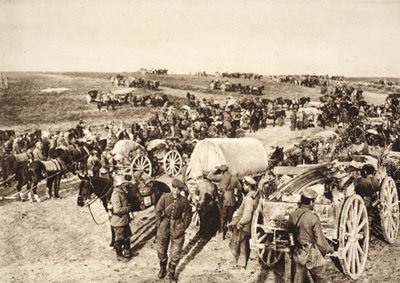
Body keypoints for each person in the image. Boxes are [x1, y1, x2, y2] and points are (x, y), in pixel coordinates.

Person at [288, 188, 333, 283]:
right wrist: (328, 250)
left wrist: (292, 250)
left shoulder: (293, 215)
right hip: (311, 255)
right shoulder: (313, 218)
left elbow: (290, 234)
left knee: (298, 279)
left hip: (298, 253)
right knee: (320, 278)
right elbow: (320, 242)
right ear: (311, 203)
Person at [155, 179, 192, 282]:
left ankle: (171, 272)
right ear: (172, 188)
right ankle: (162, 268)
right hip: (165, 225)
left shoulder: (184, 201)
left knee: (176, 251)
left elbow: (188, 214)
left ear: (180, 190)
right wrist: (159, 224)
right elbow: (158, 210)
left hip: (177, 225)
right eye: (174, 188)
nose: (176, 191)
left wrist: (184, 226)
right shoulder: (165, 197)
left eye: (178, 189)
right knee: (161, 249)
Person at [228, 176, 259, 268]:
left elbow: (247, 216)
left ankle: (240, 264)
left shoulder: (249, 199)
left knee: (236, 244)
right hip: (252, 225)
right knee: (243, 244)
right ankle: (241, 262)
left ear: (248, 186)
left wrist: (239, 224)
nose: (243, 187)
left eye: (244, 185)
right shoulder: (256, 195)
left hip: (245, 225)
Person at [208, 164, 242, 239]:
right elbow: (240, 188)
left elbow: (209, 176)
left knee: (222, 216)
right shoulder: (234, 178)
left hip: (223, 198)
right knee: (230, 216)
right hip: (232, 199)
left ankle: (222, 232)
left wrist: (214, 169)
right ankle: (230, 231)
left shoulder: (221, 177)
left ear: (222, 171)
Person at [109, 175, 134, 262]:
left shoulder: (122, 192)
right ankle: (119, 255)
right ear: (119, 185)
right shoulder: (116, 195)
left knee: (127, 236)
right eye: (123, 184)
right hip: (118, 221)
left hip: (124, 220)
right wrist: (128, 208)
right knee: (119, 239)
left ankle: (128, 252)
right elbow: (117, 210)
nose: (125, 185)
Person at [354, 164, 380, 229]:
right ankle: (370, 229)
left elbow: (357, 191)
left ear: (365, 172)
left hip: (365, 202)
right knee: (370, 216)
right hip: (374, 202)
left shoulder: (362, 181)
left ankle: (364, 230)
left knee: (363, 216)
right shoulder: (376, 181)